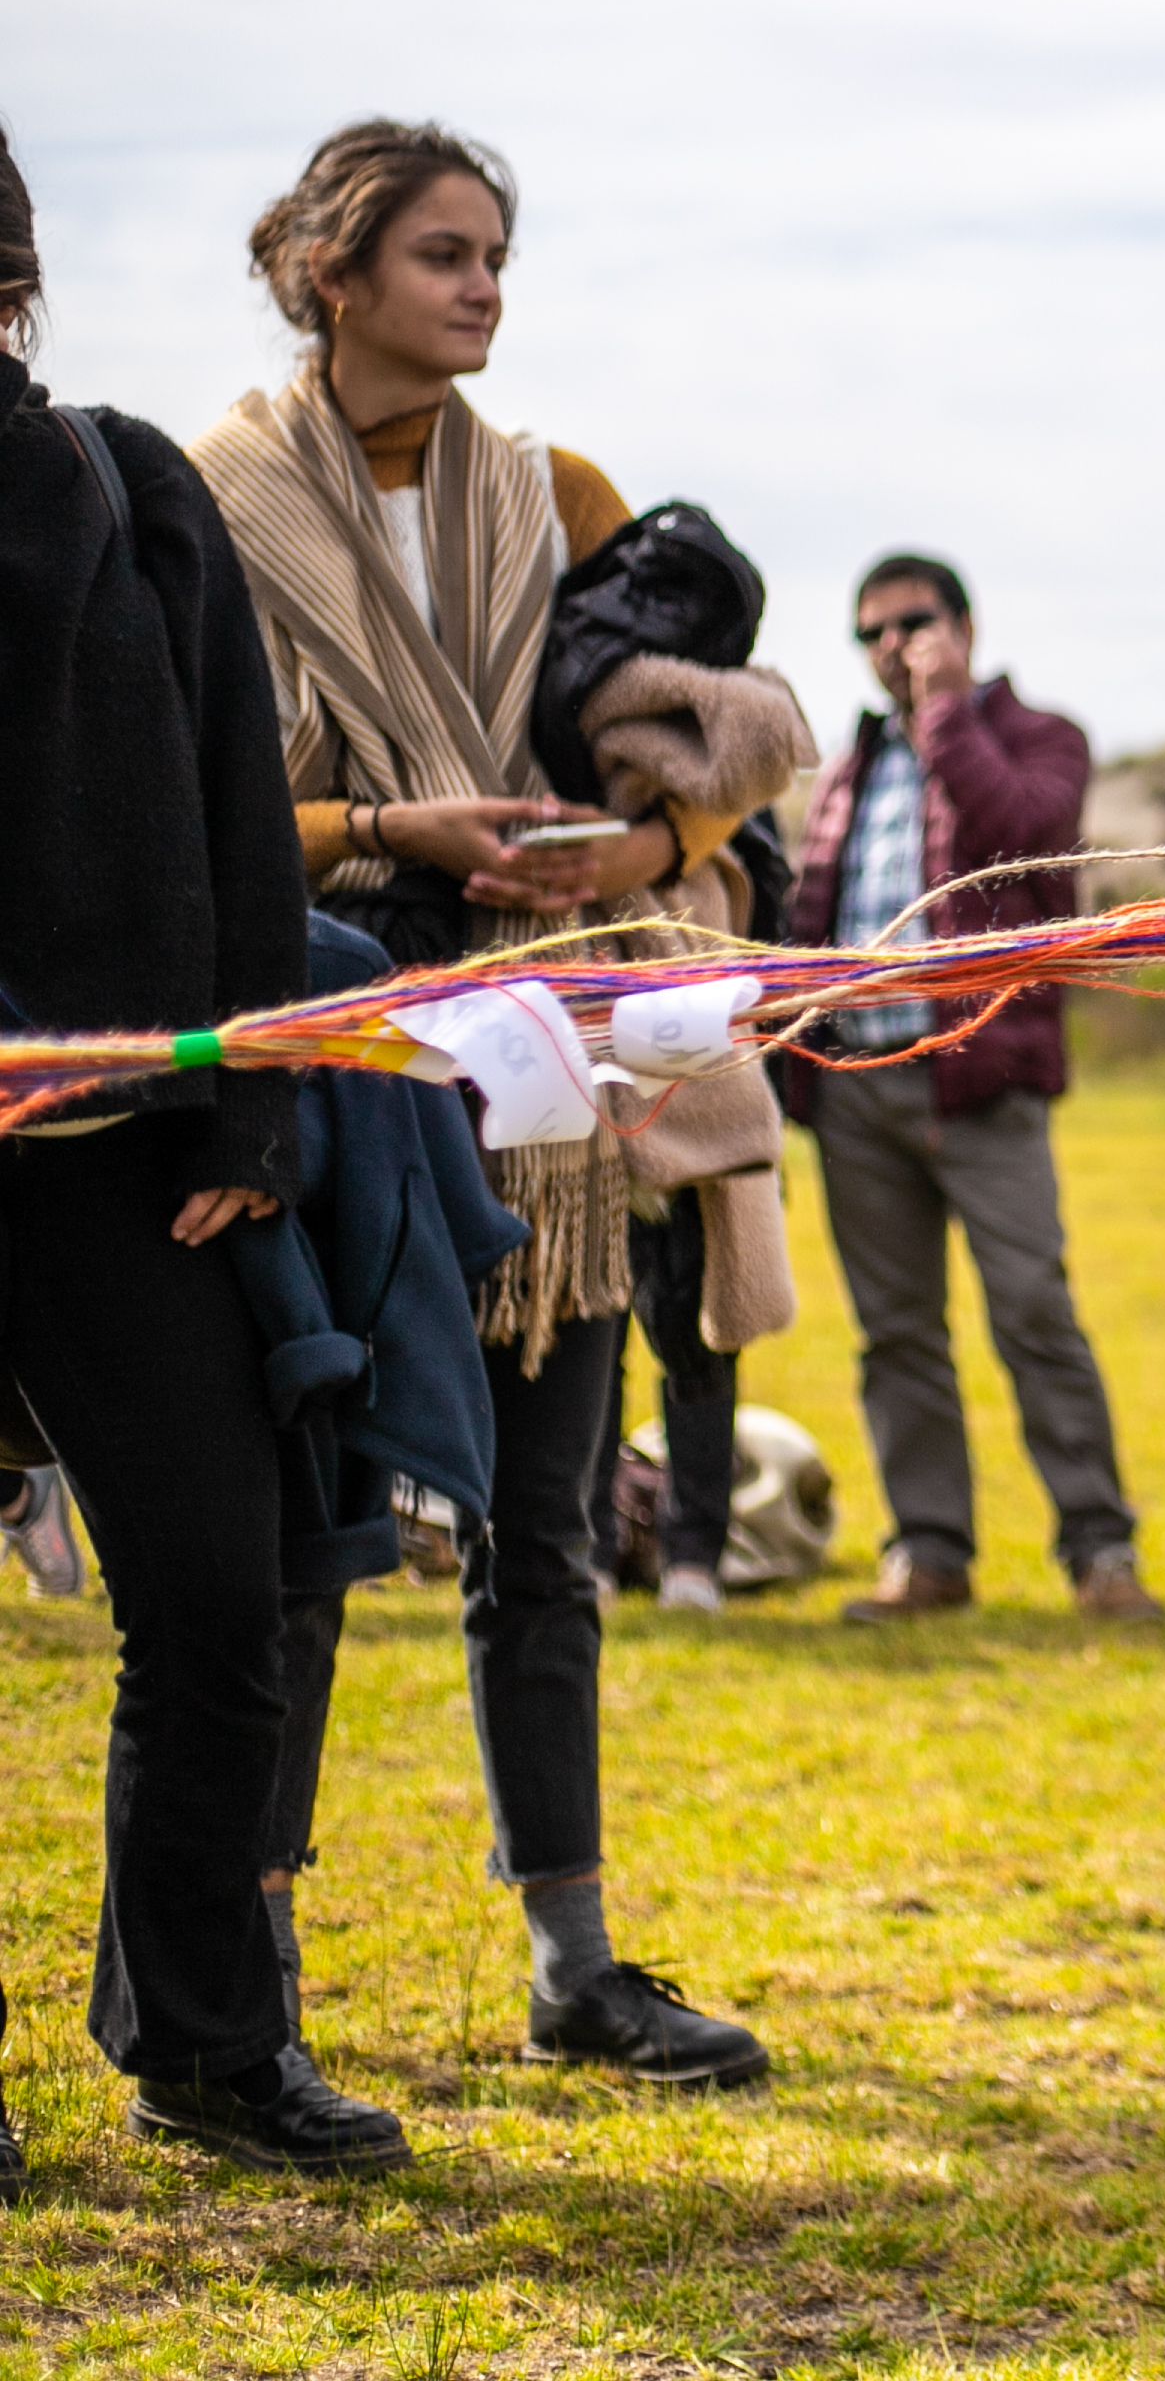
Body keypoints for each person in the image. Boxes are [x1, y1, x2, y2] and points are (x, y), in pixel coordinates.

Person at [186, 119, 771, 2095]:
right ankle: (246, 1975)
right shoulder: (207, 504)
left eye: (499, 253)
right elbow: (177, 811)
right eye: (443, 252)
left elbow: (697, 753)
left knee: (549, 1533)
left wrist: (636, 846)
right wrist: (382, 827)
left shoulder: (568, 495)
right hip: (333, 1062)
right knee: (304, 1538)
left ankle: (576, 1966)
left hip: (544, 1067)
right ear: (330, 271)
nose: (485, 286)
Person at [0, 124, 407, 2177]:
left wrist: (255, 1092)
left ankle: (205, 2044)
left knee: (220, 1597)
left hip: (124, 1151)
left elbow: (246, 824)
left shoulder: (118, 484)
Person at [782, 552, 1150, 1624]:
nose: (893, 645)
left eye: (914, 622)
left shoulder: (1044, 738)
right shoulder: (849, 766)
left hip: (981, 1081)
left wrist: (946, 715)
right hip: (860, 1083)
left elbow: (1015, 837)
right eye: (873, 632)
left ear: (965, 626)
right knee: (897, 1331)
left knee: (1034, 1309)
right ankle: (929, 1554)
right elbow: (819, 917)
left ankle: (1101, 1552)